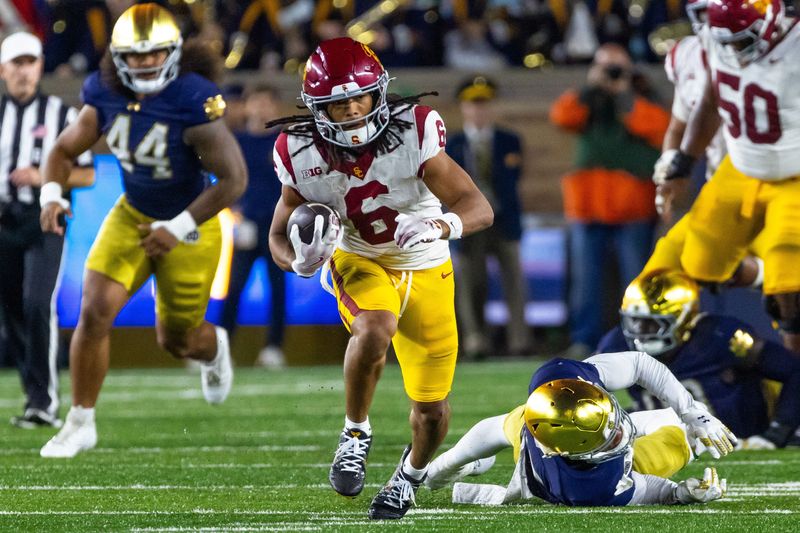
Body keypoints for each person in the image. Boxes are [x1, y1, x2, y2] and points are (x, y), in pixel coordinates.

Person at [267, 37, 493, 519]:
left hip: (429, 266)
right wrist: (300, 262)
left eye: (359, 98)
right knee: (374, 326)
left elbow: (478, 207)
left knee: (431, 410)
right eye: (338, 102)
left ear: (379, 93)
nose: (351, 110)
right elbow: (278, 235)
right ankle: (355, 431)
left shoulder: (415, 130)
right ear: (316, 107)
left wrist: (439, 223)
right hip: (360, 259)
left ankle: (408, 477)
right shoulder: (298, 149)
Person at [37, 3, 247, 458]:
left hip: (192, 221)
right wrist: (50, 196)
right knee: (93, 311)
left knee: (176, 340)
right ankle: (80, 422)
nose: (146, 63)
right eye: (135, 55)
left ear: (172, 52)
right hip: (132, 213)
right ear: (118, 57)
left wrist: (178, 227)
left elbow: (234, 180)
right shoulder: (105, 92)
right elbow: (61, 151)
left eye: (154, 54)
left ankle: (213, 348)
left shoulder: (193, 98)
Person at [657, 0, 800, 353]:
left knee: (790, 280)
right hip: (739, 166)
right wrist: (683, 164)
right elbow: (708, 105)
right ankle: (767, 282)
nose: (736, 49)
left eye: (743, 39)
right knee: (699, 262)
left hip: (792, 172)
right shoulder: (714, 44)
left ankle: (794, 368)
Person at [425, 353, 735, 506]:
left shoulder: (558, 384)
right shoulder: (585, 487)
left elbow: (641, 365)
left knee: (513, 420)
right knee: (684, 439)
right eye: (608, 437)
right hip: (547, 470)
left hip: (549, 431)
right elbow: (650, 489)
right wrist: (679, 493)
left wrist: (691, 410)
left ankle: (438, 469)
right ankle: (439, 470)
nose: (620, 435)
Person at [549, 43, 670, 358]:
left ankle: (639, 339)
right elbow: (562, 117)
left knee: (636, 281)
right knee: (585, 283)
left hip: (632, 209)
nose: (612, 74)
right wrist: (592, 86)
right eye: (606, 67)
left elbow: (658, 128)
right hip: (588, 207)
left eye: (617, 68)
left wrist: (625, 95)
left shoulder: (643, 98)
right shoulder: (587, 102)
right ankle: (584, 340)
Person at [0, 31, 94, 429]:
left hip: (45, 219)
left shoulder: (62, 114)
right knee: (13, 310)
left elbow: (88, 173)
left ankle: (44, 401)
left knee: (38, 304)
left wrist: (42, 176)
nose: (24, 71)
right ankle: (34, 394)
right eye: (16, 63)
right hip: (3, 222)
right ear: (3, 69)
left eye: (30, 62)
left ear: (40, 66)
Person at [596, 269, 800, 449]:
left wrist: (778, 431)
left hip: (742, 439)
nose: (640, 332)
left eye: (652, 323)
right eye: (635, 321)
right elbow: (587, 390)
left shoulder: (721, 336)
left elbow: (793, 370)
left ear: (683, 318)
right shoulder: (616, 344)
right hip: (667, 443)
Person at [447, 75, 529, 359]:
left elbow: (512, 180)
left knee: (515, 282)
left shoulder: (509, 140)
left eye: (484, 104)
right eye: (473, 104)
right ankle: (475, 340)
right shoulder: (451, 144)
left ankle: (519, 340)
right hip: (468, 223)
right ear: (463, 108)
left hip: (505, 220)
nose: (479, 110)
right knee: (470, 282)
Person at [220, 84, 287, 368]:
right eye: (256, 101)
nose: (261, 108)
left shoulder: (284, 142)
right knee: (233, 288)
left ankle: (274, 348)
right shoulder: (236, 141)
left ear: (274, 107)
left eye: (266, 102)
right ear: (246, 106)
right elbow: (224, 180)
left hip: (278, 227)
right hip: (245, 225)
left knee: (277, 288)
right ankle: (221, 350)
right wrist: (235, 212)